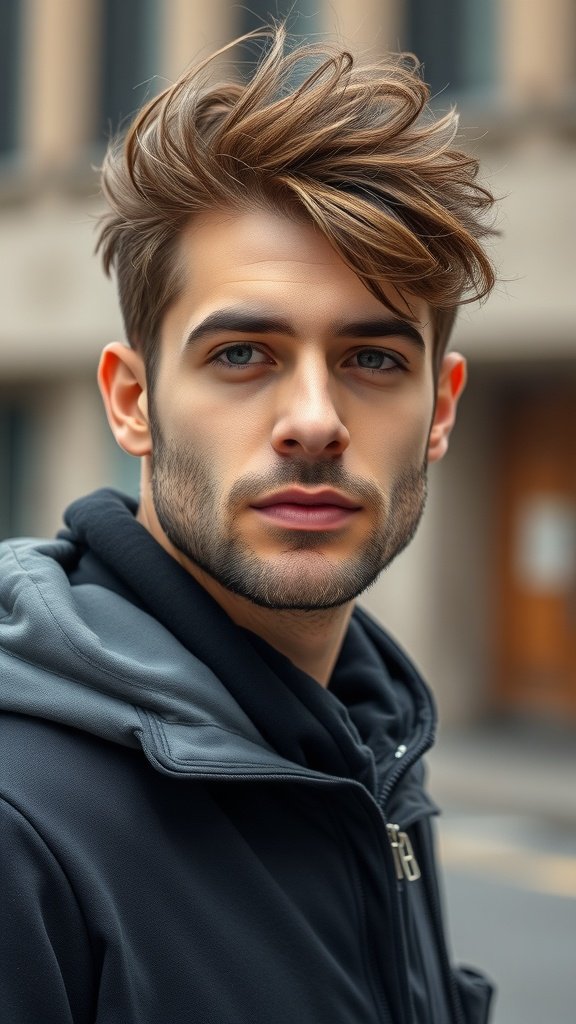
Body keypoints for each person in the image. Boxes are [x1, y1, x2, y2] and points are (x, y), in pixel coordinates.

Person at [0, 27, 497, 1024]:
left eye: (373, 360)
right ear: (133, 400)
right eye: (242, 355)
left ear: (440, 410)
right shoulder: (20, 825)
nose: (313, 418)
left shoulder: (368, 750)